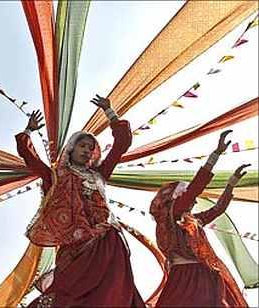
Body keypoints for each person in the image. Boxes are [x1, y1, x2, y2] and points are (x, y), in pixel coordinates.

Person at [17, 95, 145, 307]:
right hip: (75, 246)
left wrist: (110, 112)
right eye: (83, 146)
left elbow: (122, 143)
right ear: (71, 149)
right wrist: (28, 131)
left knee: (112, 293)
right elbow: (28, 156)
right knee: (69, 291)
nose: (87, 151)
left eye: (91, 148)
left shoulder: (99, 174)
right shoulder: (55, 177)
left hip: (107, 241)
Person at [150, 130, 249, 307]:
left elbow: (217, 209)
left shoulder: (192, 220)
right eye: (189, 196)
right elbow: (196, 187)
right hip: (185, 275)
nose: (195, 200)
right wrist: (216, 154)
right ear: (177, 197)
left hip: (202, 275)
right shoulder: (174, 214)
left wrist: (230, 184)